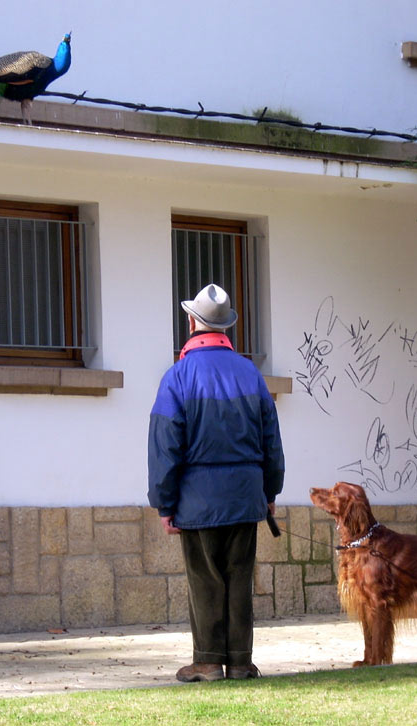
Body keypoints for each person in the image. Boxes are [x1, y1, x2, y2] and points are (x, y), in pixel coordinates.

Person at [148, 283, 285, 682]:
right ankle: (240, 662)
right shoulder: (251, 374)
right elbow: (271, 441)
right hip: (245, 495)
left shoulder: (177, 377)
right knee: (239, 579)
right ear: (225, 327)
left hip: (197, 499)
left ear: (192, 323)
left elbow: (164, 446)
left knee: (205, 580)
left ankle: (207, 662)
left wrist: (165, 503)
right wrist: (269, 492)